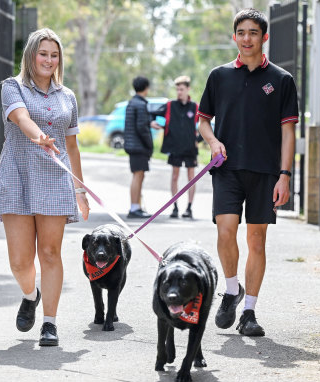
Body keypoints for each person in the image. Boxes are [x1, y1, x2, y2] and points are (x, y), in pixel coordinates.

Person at [197, 9, 298, 336]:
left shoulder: (282, 80)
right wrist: (213, 142)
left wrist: (285, 175)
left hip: (266, 172)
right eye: (241, 32)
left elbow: (288, 133)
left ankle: (249, 313)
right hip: (227, 170)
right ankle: (231, 289)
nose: (246, 38)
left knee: (257, 240)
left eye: (253, 32)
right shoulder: (219, 76)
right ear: (234, 36)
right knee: (225, 230)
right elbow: (203, 121)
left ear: (264, 37)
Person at [0, 28, 90, 347]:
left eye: (54, 54)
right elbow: (20, 118)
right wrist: (38, 136)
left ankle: (50, 322)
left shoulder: (68, 96)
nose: (49, 60)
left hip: (56, 180)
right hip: (18, 176)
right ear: (31, 55)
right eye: (43, 53)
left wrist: (80, 190)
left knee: (49, 252)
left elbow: (72, 147)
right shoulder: (12, 86)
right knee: (20, 261)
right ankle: (29, 294)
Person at [150, 75, 201, 219]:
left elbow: (205, 124)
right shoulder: (170, 105)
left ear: (188, 89)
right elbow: (152, 114)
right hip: (175, 147)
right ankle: (175, 207)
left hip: (191, 148)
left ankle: (189, 208)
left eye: (182, 89)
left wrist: (198, 139)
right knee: (174, 177)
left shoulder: (195, 107)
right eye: (177, 89)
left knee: (192, 178)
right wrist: (152, 123)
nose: (179, 92)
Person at [123, 76, 156, 219]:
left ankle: (136, 206)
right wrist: (150, 145)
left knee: (138, 175)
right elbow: (142, 127)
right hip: (139, 146)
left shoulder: (132, 102)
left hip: (132, 145)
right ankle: (134, 207)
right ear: (146, 88)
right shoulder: (141, 104)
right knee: (138, 175)